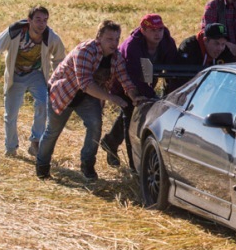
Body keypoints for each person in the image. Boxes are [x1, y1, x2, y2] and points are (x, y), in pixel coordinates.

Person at [36, 20, 144, 180]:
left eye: (117, 39)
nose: (114, 43)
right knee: (52, 131)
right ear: (98, 37)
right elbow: (85, 83)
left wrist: (135, 97)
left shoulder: (116, 57)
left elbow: (125, 80)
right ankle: (42, 167)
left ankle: (87, 165)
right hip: (64, 92)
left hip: (88, 96)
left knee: (95, 126)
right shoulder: (85, 51)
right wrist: (112, 98)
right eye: (109, 39)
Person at [0, 6, 65, 157]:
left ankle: (35, 142)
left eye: (45, 20)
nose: (41, 24)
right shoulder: (14, 32)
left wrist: (56, 81)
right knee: (10, 114)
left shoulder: (50, 37)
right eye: (38, 20)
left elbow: (59, 59)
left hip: (36, 74)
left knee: (43, 103)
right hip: (15, 75)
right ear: (29, 20)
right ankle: (11, 148)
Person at [100, 14, 178, 168]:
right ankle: (134, 168)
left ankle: (110, 141)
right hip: (123, 82)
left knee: (130, 114)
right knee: (131, 116)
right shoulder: (132, 46)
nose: (157, 34)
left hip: (147, 80)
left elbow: (173, 69)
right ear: (143, 30)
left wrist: (171, 95)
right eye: (152, 30)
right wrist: (152, 97)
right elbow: (132, 76)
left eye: (160, 29)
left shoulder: (167, 42)